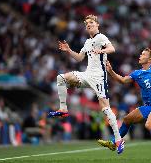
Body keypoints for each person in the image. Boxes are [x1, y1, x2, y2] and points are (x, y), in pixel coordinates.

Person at [48, 14, 125, 154]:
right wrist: (69, 50)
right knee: (61, 78)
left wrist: (101, 50)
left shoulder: (101, 37)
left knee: (105, 108)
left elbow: (112, 48)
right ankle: (63, 109)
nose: (88, 24)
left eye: (91, 22)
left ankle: (119, 139)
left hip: (99, 78)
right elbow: (79, 58)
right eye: (86, 23)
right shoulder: (87, 42)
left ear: (97, 25)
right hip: (87, 74)